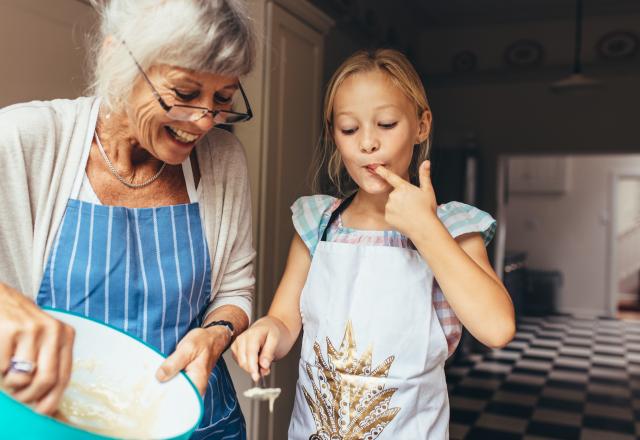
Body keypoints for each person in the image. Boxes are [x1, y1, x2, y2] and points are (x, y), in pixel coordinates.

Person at [0, 0, 257, 437]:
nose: (204, 121)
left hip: (199, 422)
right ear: (117, 57)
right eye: (185, 93)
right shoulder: (24, 140)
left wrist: (215, 333)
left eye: (223, 99)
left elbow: (235, 286)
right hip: (57, 422)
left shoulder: (224, 160)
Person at [231, 48, 515, 438]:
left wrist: (426, 229)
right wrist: (266, 332)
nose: (368, 143)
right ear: (335, 136)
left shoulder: (454, 227)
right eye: (349, 129)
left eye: (385, 123)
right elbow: (284, 321)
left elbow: (497, 329)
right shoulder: (318, 223)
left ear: (422, 125)